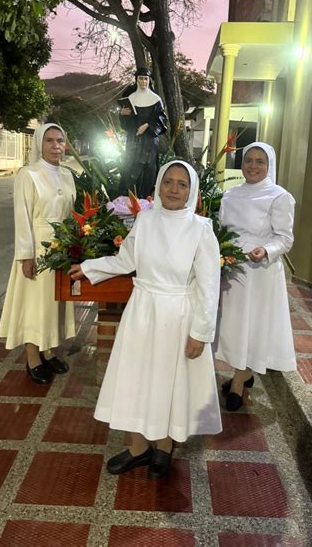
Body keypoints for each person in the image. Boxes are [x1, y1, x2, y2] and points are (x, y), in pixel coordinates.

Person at [69, 160, 222, 478]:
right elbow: (126, 260)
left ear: (191, 190)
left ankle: (164, 447)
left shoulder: (201, 230)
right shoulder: (145, 219)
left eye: (182, 184)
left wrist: (200, 333)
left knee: (168, 380)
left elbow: (208, 288)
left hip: (177, 315)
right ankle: (138, 448)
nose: (174, 189)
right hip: (142, 311)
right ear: (159, 184)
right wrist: (89, 267)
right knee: (136, 378)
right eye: (169, 181)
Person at [215, 142, 296, 411]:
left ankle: (239, 382)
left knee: (253, 326)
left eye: (260, 161)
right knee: (234, 325)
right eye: (248, 159)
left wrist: (267, 249)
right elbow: (221, 228)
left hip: (260, 271)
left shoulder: (279, 196)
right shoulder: (230, 194)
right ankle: (244, 373)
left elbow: (284, 238)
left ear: (269, 164)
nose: (252, 165)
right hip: (233, 267)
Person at [0, 123, 76, 384]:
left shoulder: (67, 174)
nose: (56, 146)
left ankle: (49, 350)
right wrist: (26, 256)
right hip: (38, 249)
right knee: (34, 304)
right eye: (50, 141)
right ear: (39, 145)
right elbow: (22, 218)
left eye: (60, 141)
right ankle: (33, 357)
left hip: (62, 249)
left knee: (55, 303)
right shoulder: (28, 174)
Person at [118, 67, 167, 198]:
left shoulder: (156, 99)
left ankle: (146, 199)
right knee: (129, 169)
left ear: (149, 80)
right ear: (136, 80)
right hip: (133, 142)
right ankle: (129, 202)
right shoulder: (131, 98)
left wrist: (147, 125)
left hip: (150, 142)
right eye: (141, 78)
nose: (144, 81)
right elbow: (125, 125)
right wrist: (122, 115)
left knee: (148, 170)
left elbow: (162, 120)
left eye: (146, 79)